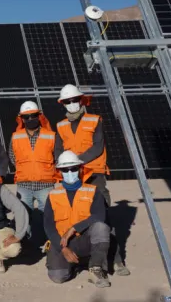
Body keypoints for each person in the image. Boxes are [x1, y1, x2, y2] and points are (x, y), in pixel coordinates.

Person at [54, 84, 130, 276]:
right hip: (72, 177)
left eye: (74, 100)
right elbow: (58, 150)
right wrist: (65, 164)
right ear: (63, 104)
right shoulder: (60, 126)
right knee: (76, 217)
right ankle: (86, 256)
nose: (72, 104)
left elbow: (97, 147)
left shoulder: (95, 120)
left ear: (81, 100)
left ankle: (117, 260)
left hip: (94, 175)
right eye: (67, 101)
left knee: (103, 219)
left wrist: (77, 161)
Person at [43, 151, 111, 288]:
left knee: (101, 227)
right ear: (59, 172)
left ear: (80, 169)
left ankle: (95, 268)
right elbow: (48, 225)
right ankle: (75, 264)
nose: (69, 172)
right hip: (63, 242)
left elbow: (99, 216)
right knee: (58, 277)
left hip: (86, 239)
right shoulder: (53, 195)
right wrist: (63, 248)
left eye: (73, 168)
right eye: (65, 170)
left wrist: (74, 228)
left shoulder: (93, 191)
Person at [8, 101, 58, 246]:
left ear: (39, 116)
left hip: (45, 183)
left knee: (48, 215)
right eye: (27, 117)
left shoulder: (51, 136)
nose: (30, 119)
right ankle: (26, 243)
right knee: (23, 215)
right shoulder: (16, 136)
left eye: (33, 116)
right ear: (21, 119)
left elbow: (56, 156)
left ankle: (49, 242)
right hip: (24, 184)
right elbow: (12, 156)